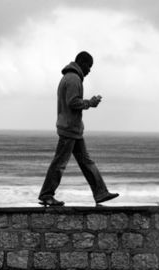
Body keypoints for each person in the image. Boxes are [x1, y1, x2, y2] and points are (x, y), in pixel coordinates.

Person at [38, 51, 119, 207]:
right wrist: (90, 102)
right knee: (60, 163)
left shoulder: (68, 77)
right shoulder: (74, 79)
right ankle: (46, 194)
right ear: (82, 63)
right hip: (69, 129)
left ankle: (101, 193)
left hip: (73, 129)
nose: (89, 70)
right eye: (89, 66)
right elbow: (73, 102)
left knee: (86, 162)